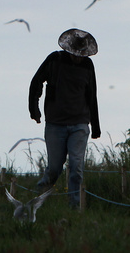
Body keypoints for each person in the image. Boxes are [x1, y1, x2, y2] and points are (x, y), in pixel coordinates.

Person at [28, 28, 100, 209]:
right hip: (55, 124)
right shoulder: (55, 60)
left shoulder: (87, 66)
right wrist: (34, 111)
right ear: (69, 49)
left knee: (76, 168)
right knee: (54, 169)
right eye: (76, 54)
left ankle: (74, 207)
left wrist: (96, 126)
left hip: (80, 124)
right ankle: (38, 200)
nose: (78, 57)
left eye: (82, 54)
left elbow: (92, 95)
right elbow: (36, 82)